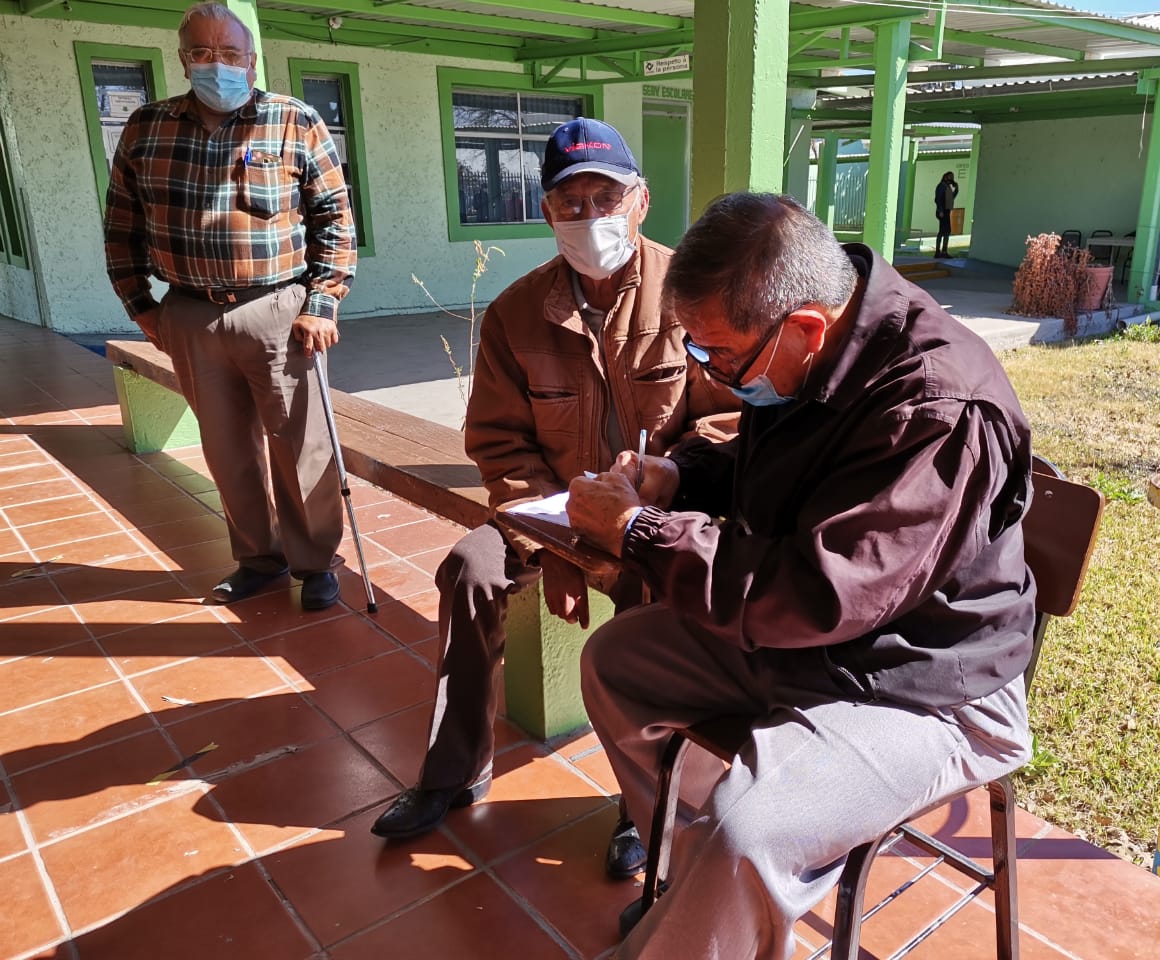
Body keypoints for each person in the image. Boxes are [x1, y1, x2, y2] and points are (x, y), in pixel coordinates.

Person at [568, 192, 1036, 960]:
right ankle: (704, 898)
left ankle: (710, 904)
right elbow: (795, 470)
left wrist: (640, 532)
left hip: (926, 682)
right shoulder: (814, 344)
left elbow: (819, 590)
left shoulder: (936, 406)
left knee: (746, 827)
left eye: (720, 356)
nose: (710, 371)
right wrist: (678, 478)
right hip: (821, 643)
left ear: (806, 328)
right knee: (617, 663)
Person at [369, 118, 737, 881]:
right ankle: (453, 768)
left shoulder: (690, 296)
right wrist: (556, 548)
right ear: (546, 213)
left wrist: (648, 506)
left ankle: (647, 805)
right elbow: (500, 447)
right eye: (571, 202)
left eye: (606, 197)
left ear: (641, 201)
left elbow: (725, 424)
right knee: (467, 572)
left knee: (658, 605)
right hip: (550, 515)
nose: (589, 216)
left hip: (656, 514)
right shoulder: (514, 312)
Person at [103, 3, 357, 612]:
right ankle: (258, 559)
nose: (218, 64)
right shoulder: (146, 126)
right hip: (188, 312)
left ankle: (316, 561)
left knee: (302, 448)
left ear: (252, 58)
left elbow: (335, 220)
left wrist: (322, 302)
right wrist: (143, 307)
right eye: (203, 53)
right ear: (184, 57)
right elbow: (121, 225)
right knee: (225, 449)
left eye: (231, 53)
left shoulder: (291, 120)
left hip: (279, 311)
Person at [933, 170, 958, 258]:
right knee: (942, 231)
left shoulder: (948, 187)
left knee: (947, 231)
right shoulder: (941, 186)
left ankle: (944, 251)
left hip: (947, 211)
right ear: (945, 177)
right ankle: (938, 252)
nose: (951, 178)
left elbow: (951, 199)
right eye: (950, 176)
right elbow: (937, 199)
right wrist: (940, 210)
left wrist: (956, 189)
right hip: (942, 211)